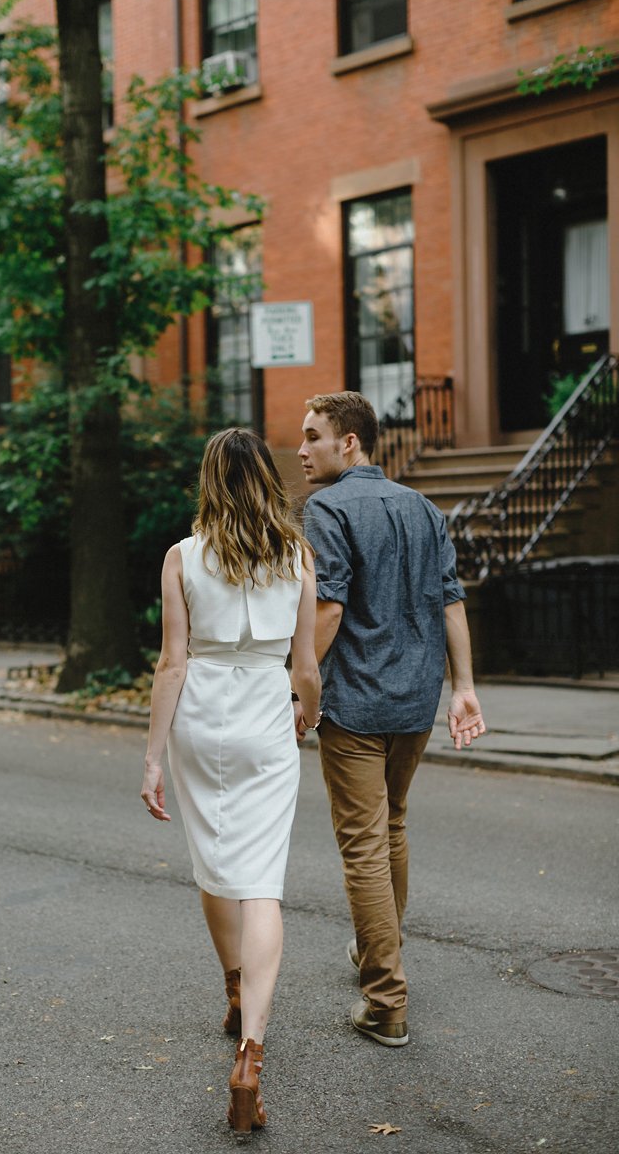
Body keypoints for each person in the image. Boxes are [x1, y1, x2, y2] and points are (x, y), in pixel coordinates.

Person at [141, 427, 322, 1135]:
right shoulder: (296, 555)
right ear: (267, 480)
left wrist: (152, 756)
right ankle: (251, 1051)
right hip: (265, 718)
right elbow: (303, 664)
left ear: (209, 480)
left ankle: (234, 986)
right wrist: (307, 709)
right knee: (261, 882)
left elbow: (172, 664)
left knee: (215, 863)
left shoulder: (182, 558)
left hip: (202, 717)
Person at [294, 391, 485, 1048]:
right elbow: (451, 603)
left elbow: (327, 611)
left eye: (313, 436)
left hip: (355, 701)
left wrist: (296, 690)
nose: (301, 449)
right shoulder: (422, 507)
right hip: (415, 701)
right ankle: (380, 952)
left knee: (364, 846)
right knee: (391, 826)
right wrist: (463, 687)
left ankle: (385, 1000)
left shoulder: (324, 509)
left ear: (350, 443)